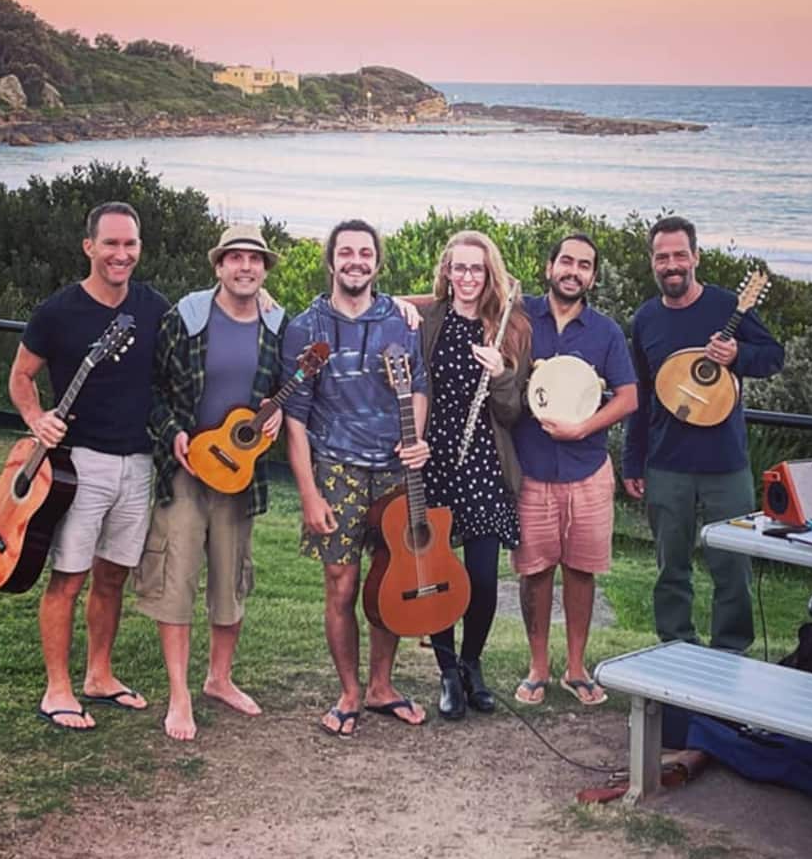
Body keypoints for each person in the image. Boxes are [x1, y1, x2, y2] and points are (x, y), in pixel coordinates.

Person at [10, 201, 170, 730]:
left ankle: (98, 676)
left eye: (130, 245)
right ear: (89, 247)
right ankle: (57, 689)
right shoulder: (57, 312)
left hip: (138, 462)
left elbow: (211, 320)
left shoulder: (153, 308)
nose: (121, 255)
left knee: (112, 578)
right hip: (78, 465)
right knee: (68, 579)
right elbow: (21, 376)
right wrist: (37, 419)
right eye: (111, 244)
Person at [135, 224, 287, 740]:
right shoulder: (187, 318)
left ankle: (218, 678)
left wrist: (278, 418)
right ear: (218, 266)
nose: (245, 267)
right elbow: (152, 387)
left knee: (231, 579)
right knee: (174, 579)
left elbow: (285, 393)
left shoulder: (277, 325)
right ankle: (179, 695)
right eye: (235, 258)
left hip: (239, 475)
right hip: (185, 469)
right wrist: (172, 432)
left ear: (265, 271)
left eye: (255, 260)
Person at [284, 219, 431, 738]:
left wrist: (416, 437)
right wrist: (307, 492)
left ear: (377, 262)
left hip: (394, 471)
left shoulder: (400, 319)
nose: (356, 261)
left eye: (365, 253)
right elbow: (295, 417)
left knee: (390, 581)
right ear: (330, 261)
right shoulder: (305, 328)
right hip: (336, 469)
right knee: (341, 584)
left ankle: (381, 686)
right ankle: (349, 691)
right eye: (346, 252)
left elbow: (419, 386)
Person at [622, 216, 784, 654]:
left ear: (695, 256)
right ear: (652, 263)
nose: (671, 264)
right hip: (665, 464)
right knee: (670, 567)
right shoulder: (646, 319)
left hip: (724, 465)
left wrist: (738, 354)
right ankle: (676, 645)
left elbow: (774, 357)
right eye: (662, 257)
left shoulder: (729, 307)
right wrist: (632, 462)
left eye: (679, 255)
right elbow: (639, 394)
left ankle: (731, 652)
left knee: (732, 566)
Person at [511, 233, 637, 706]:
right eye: (566, 261)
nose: (574, 271)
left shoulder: (605, 332)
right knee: (535, 571)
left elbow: (629, 397)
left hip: (587, 469)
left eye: (584, 265)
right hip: (531, 469)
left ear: (593, 277)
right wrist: (398, 303)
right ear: (549, 267)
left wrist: (585, 427)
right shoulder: (518, 315)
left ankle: (577, 669)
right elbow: (461, 295)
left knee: (581, 570)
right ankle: (538, 668)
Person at [417, 230, 532, 719]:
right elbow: (386, 302)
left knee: (483, 580)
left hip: (484, 461)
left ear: (490, 275)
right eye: (458, 268)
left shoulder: (510, 328)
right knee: (437, 574)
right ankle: (445, 670)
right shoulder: (428, 320)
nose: (466, 277)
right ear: (447, 271)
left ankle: (471, 663)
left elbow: (513, 413)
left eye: (476, 269)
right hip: (435, 460)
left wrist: (502, 373)